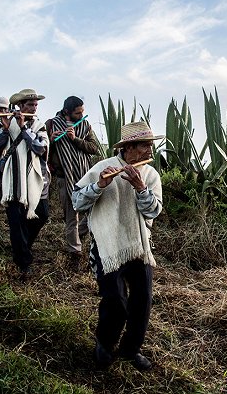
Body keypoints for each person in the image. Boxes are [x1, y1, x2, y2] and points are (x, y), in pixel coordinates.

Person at [72, 121, 164, 371]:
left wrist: (140, 188)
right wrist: (99, 185)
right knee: (115, 301)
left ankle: (130, 350)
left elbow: (153, 210)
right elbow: (78, 203)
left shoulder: (150, 175)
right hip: (107, 246)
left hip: (138, 245)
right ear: (129, 147)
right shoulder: (102, 169)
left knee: (142, 301)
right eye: (146, 145)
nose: (150, 150)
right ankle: (104, 344)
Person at [0, 89, 49, 280]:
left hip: (36, 180)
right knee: (17, 222)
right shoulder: (6, 124)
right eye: (29, 105)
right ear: (20, 106)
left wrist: (24, 129)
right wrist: (7, 129)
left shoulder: (39, 125)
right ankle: (23, 263)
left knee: (42, 215)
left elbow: (40, 148)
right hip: (13, 181)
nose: (33, 108)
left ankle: (22, 247)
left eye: (35, 105)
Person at [46, 95, 99, 270]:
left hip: (84, 175)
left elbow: (93, 148)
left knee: (91, 210)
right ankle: (74, 251)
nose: (82, 114)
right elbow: (43, 151)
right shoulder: (51, 124)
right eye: (78, 112)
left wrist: (75, 139)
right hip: (63, 176)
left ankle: (78, 234)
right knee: (71, 214)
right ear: (67, 112)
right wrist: (51, 140)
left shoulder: (85, 125)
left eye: (83, 111)